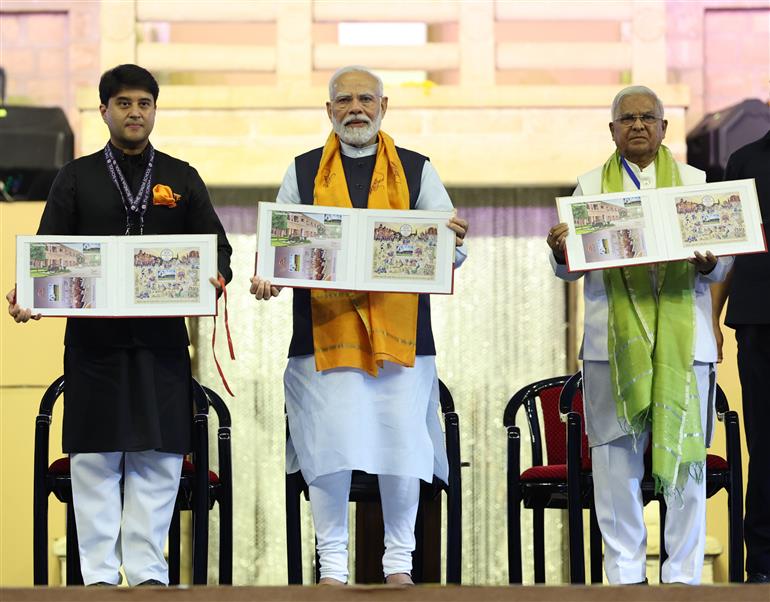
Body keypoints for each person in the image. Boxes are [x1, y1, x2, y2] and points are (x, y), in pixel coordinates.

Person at [6, 64, 232, 586]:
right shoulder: (76, 177)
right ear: (105, 110)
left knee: (158, 460)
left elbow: (217, 247)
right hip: (94, 347)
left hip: (161, 345)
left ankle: (151, 574)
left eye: (144, 104)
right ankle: (101, 577)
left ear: (155, 110)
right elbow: (49, 254)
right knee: (94, 461)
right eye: (124, 103)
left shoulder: (182, 176)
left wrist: (217, 273)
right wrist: (31, 293)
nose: (135, 112)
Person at [250, 65, 468, 585]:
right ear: (329, 111)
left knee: (401, 445)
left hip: (402, 340)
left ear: (383, 107)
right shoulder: (302, 172)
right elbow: (283, 249)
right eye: (344, 100)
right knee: (328, 448)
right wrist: (270, 274)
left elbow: (453, 254)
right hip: (323, 337)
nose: (355, 109)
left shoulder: (417, 169)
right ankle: (332, 567)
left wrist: (452, 241)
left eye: (365, 99)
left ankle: (398, 565)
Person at [546, 85, 733, 584]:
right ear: (612, 130)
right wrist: (561, 250)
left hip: (684, 343)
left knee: (687, 460)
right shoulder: (590, 187)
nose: (637, 125)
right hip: (613, 347)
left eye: (648, 117)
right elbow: (569, 272)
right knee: (614, 464)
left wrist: (714, 262)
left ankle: (684, 578)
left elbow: (721, 265)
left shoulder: (696, 182)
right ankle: (625, 576)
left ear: (664, 127)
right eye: (626, 118)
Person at [711, 129, 770, 583]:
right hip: (759, 319)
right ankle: (763, 566)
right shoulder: (745, 160)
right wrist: (711, 316)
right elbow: (725, 246)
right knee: (764, 446)